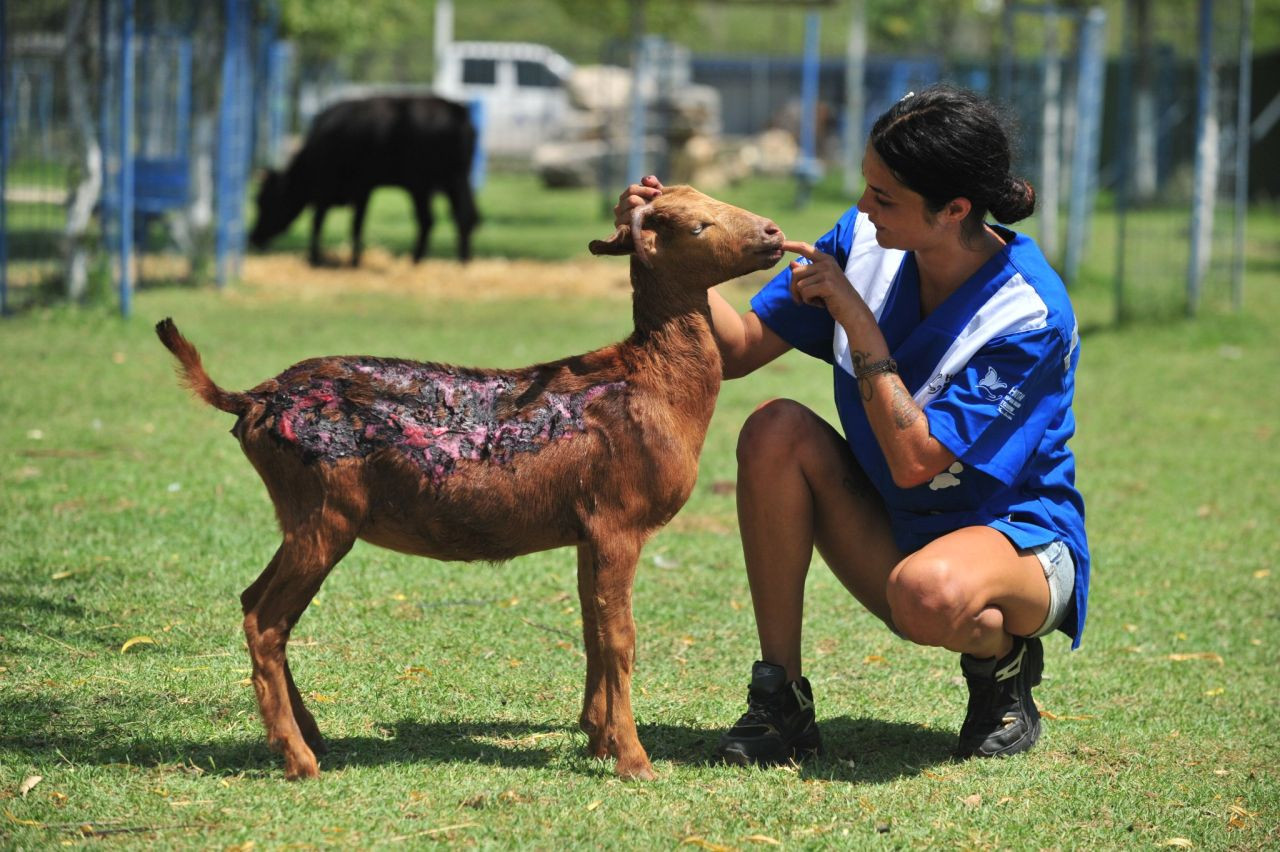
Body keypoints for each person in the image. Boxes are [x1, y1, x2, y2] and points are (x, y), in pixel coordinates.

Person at [614, 84, 1089, 763]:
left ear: (954, 209)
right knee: (774, 429)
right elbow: (741, 350)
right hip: (897, 528)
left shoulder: (1028, 314)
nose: (864, 209)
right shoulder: (866, 239)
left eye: (885, 197)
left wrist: (857, 319)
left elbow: (916, 460)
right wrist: (666, 249)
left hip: (1018, 543)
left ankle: (1003, 665)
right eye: (866, 186)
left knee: (928, 593)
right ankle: (780, 697)